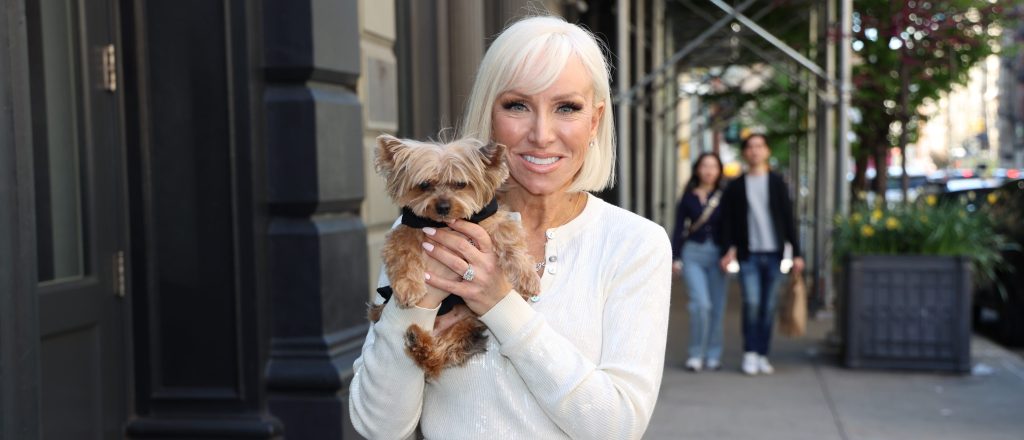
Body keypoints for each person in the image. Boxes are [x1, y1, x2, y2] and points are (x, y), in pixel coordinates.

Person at [349, 15, 671, 439]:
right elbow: (378, 427)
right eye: (517, 105)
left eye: (567, 108)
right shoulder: (424, 228)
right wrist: (420, 302)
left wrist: (500, 303)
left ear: (594, 122)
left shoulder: (634, 244)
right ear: (489, 116)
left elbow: (615, 427)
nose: (541, 134)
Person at [718, 133, 804, 376]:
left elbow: (788, 218)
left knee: (768, 306)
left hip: (774, 254)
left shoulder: (777, 182)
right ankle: (750, 353)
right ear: (745, 153)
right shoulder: (735, 186)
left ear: (767, 151)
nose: (755, 151)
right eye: (750, 147)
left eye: (759, 146)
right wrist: (728, 249)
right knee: (752, 303)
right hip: (749, 255)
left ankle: (762, 353)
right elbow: (728, 221)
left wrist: (797, 253)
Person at [671, 153, 726, 372]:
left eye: (713, 166)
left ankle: (713, 354)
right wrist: (675, 258)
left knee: (717, 308)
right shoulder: (687, 197)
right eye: (705, 166)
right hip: (693, 254)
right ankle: (696, 353)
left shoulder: (725, 196)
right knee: (700, 305)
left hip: (718, 255)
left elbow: (733, 225)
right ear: (697, 169)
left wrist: (731, 250)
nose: (709, 170)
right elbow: (678, 228)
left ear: (719, 170)